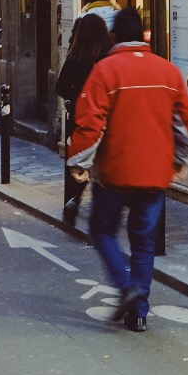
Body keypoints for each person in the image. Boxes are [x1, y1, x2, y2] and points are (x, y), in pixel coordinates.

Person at [67, 7, 188, 333]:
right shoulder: (169, 73)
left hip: (114, 174)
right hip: (154, 176)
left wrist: (78, 164)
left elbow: (89, 125)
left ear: (113, 37)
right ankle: (139, 313)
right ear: (143, 36)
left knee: (102, 231)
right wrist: (177, 160)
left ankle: (126, 287)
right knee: (144, 243)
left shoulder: (105, 71)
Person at [53, 12, 111, 229]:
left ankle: (73, 200)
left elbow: (60, 86)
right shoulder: (107, 59)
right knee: (103, 162)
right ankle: (103, 206)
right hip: (104, 118)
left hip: (80, 118)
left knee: (80, 161)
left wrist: (74, 98)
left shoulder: (75, 58)